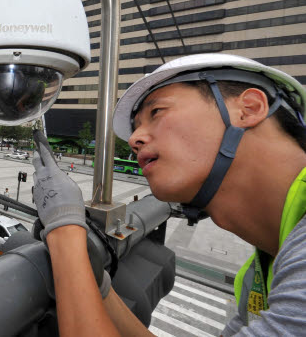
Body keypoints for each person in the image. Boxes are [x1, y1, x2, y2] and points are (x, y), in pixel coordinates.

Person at [31, 53, 306, 336]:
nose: (135, 139)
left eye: (156, 112)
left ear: (249, 108)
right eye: (137, 126)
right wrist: (94, 284)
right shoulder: (262, 272)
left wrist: (65, 232)